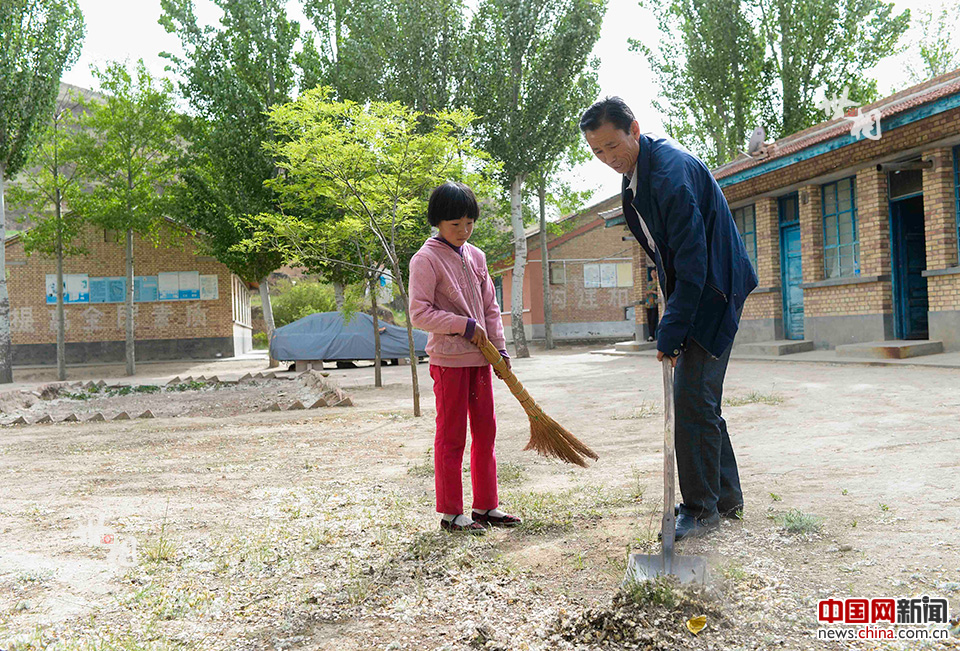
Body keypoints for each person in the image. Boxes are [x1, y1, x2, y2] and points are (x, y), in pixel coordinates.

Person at [580, 97, 758, 540]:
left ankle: (701, 510)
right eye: (597, 152)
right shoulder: (638, 176)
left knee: (692, 401)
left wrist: (670, 331)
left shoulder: (669, 173)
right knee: (700, 400)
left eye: (612, 146)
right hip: (701, 289)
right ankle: (726, 498)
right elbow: (667, 256)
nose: (608, 159)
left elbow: (694, 261)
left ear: (634, 129)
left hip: (714, 290)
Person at [408, 182, 523, 534]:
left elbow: (490, 308)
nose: (463, 231)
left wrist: (500, 349)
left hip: (481, 361)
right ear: (438, 222)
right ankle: (451, 513)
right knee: (452, 435)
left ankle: (486, 506)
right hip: (449, 362)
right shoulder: (425, 259)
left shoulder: (477, 256)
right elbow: (418, 314)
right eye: (455, 224)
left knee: (486, 432)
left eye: (469, 223)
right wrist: (461, 325)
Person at [645, 268, 659, 342]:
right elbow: (646, 292)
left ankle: (653, 335)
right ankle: (650, 335)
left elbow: (658, 293)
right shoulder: (649, 283)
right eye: (652, 273)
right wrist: (650, 291)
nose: (653, 274)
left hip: (655, 303)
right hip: (648, 303)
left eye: (654, 272)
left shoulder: (658, 283)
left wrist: (653, 292)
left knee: (653, 319)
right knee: (649, 320)